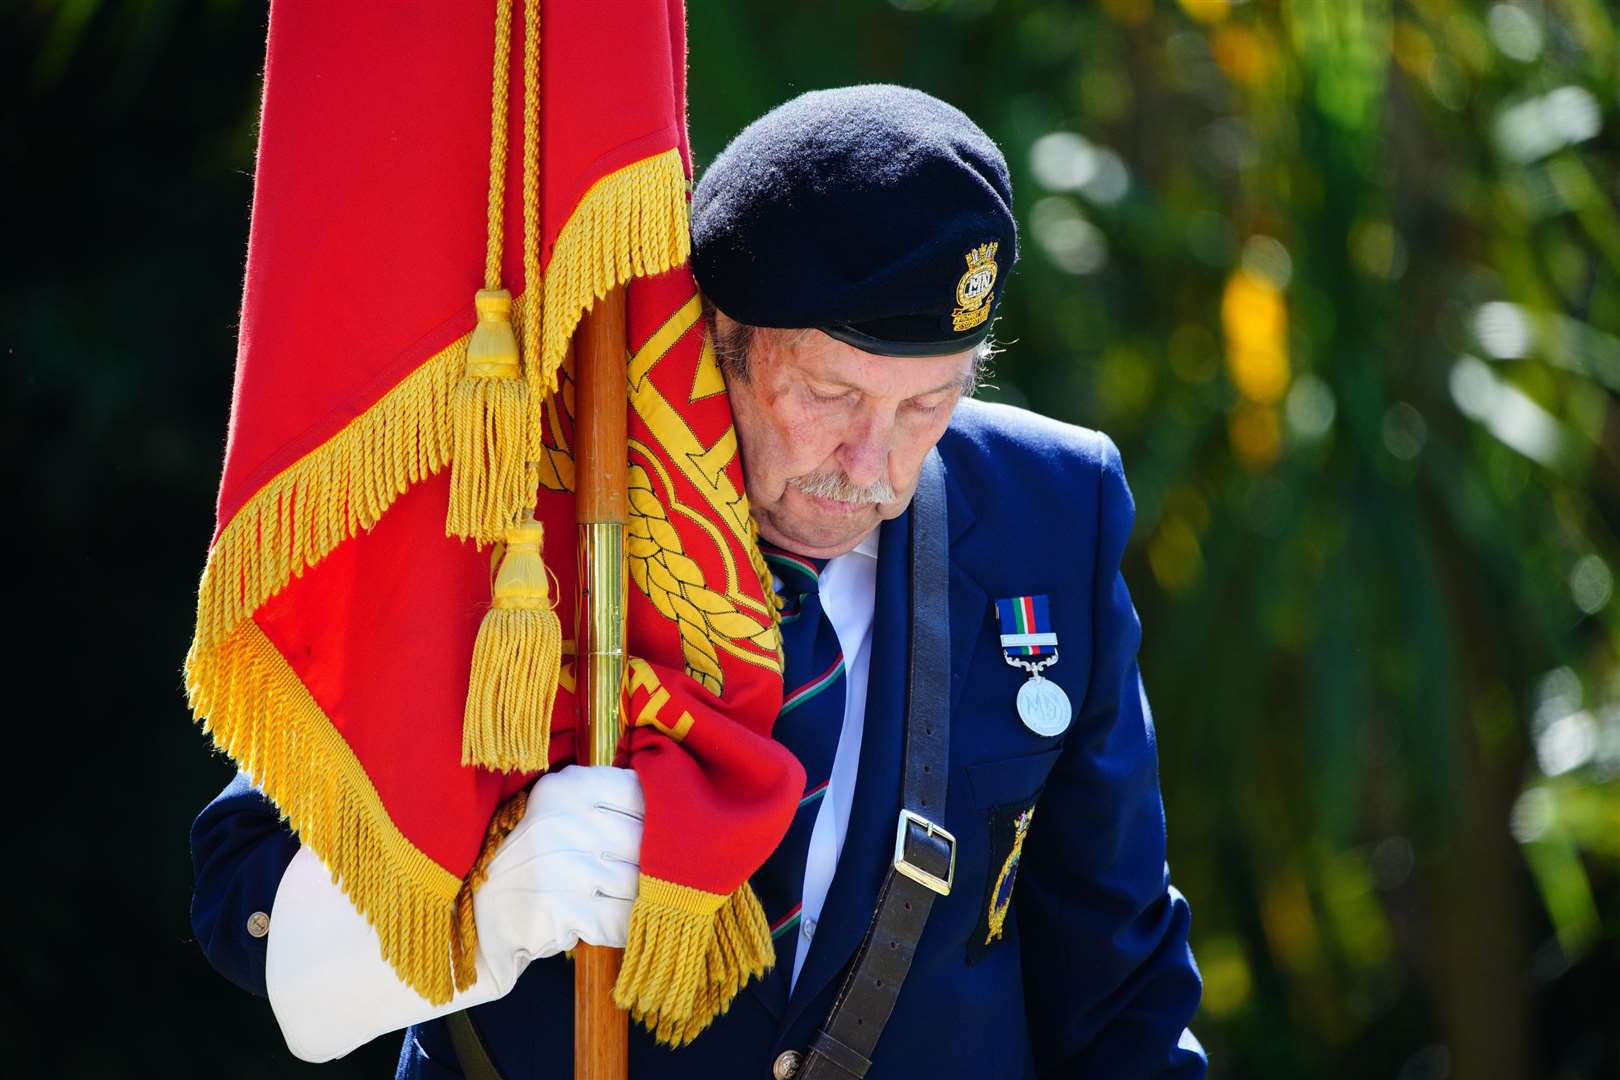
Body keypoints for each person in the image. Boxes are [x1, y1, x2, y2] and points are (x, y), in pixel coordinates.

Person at [190, 84, 1206, 1078]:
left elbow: (1119, 986)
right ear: (716, 337)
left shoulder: (1053, 507)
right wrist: (487, 912)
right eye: (829, 393)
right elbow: (248, 898)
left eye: (927, 407)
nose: (874, 464)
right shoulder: (517, 499)